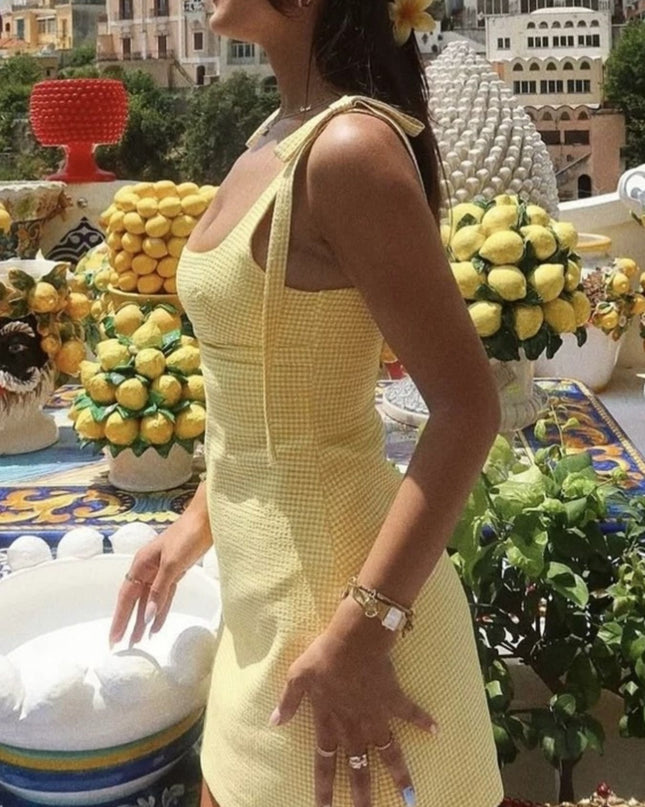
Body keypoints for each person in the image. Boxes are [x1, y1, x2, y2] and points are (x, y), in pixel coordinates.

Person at [109, 1, 506, 805]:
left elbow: (467, 408)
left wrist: (363, 633)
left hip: (346, 626)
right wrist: (190, 531)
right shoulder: (273, 134)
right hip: (264, 610)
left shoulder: (349, 150)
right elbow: (268, 409)